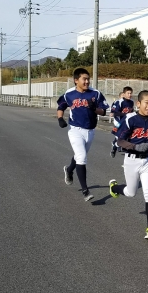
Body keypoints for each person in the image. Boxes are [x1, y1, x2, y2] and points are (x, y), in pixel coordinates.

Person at [109, 91, 148, 241]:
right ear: (138, 104)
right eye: (147, 102)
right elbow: (119, 141)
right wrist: (134, 146)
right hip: (131, 160)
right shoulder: (130, 119)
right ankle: (114, 188)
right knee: (130, 192)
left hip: (147, 162)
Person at [57, 67, 109, 202]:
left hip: (90, 131)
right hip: (75, 130)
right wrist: (60, 118)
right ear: (76, 80)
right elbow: (61, 106)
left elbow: (104, 111)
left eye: (88, 79)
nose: (87, 82)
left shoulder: (95, 93)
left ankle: (69, 170)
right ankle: (85, 191)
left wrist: (94, 108)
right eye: (84, 79)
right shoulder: (69, 94)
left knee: (79, 156)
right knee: (81, 157)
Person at [110, 86, 134, 157]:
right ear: (124, 94)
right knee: (120, 137)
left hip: (127, 121)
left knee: (126, 136)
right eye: (128, 93)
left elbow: (131, 111)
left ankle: (115, 145)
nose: (129, 95)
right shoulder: (119, 102)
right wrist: (125, 114)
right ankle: (115, 147)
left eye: (130, 93)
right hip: (118, 121)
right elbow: (115, 113)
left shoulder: (131, 102)